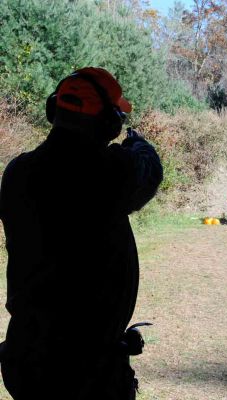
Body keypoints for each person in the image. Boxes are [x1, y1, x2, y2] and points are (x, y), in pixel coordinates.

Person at [0, 67, 163, 400]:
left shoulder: (18, 172)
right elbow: (149, 169)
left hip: (29, 356)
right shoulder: (105, 172)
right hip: (86, 371)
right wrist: (139, 145)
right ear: (108, 123)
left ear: (53, 110)